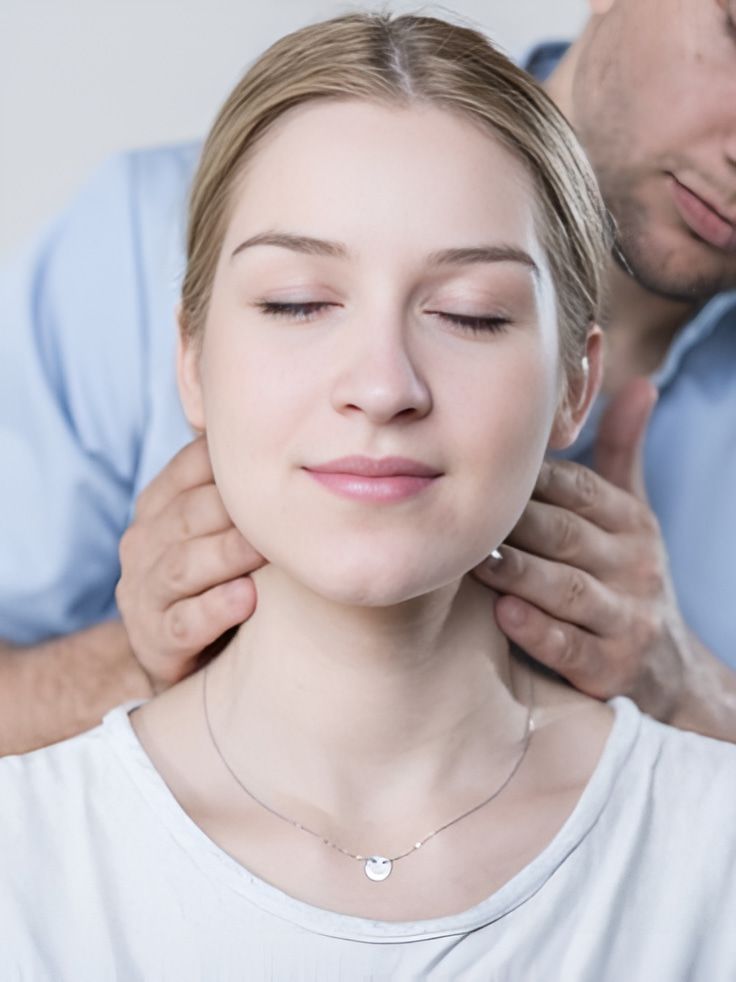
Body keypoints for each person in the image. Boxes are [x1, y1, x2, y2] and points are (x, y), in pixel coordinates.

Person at [2, 15, 736, 978]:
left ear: (576, 382)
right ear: (188, 357)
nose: (382, 386)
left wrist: (694, 698)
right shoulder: (35, 863)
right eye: (297, 303)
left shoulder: (702, 859)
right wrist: (131, 664)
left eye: (472, 315)